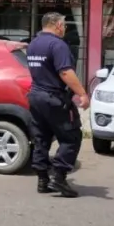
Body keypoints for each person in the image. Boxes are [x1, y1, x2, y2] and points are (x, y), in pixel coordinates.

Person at [26, 12, 89, 198]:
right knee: (71, 136)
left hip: (36, 97)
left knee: (41, 138)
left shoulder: (33, 44)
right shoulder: (57, 45)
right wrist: (82, 94)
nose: (65, 28)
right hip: (54, 98)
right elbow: (65, 73)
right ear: (57, 25)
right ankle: (59, 177)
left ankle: (43, 179)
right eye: (64, 24)